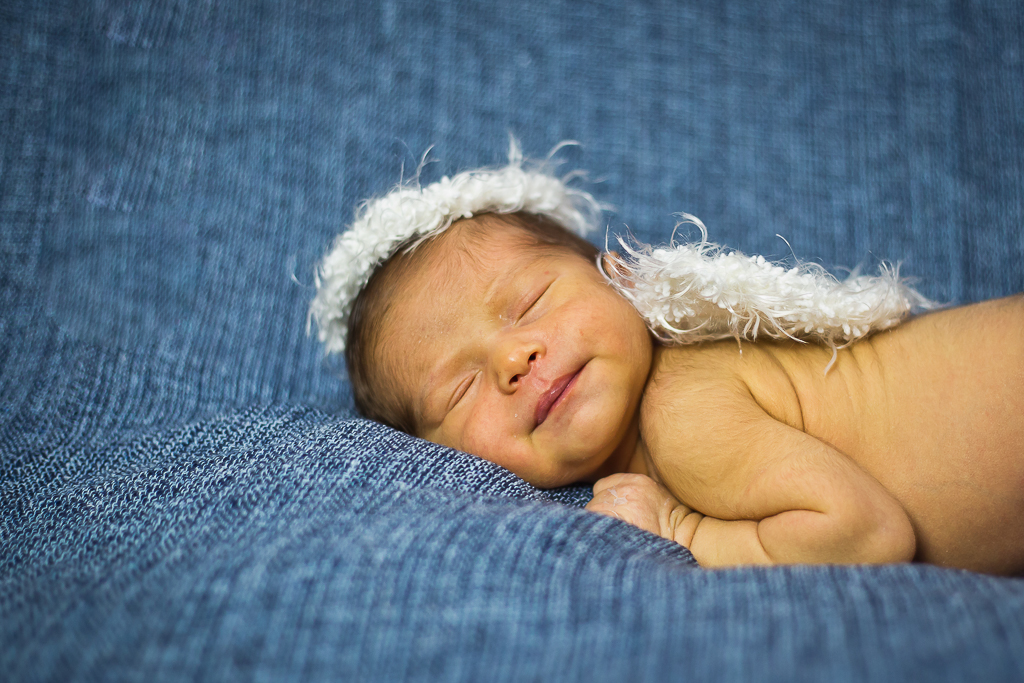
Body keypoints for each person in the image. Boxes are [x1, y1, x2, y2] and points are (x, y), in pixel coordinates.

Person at [310, 145, 1024, 576]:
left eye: (529, 303)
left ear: (619, 275)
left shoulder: (682, 408)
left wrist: (682, 532)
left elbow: (867, 535)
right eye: (460, 388)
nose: (514, 360)